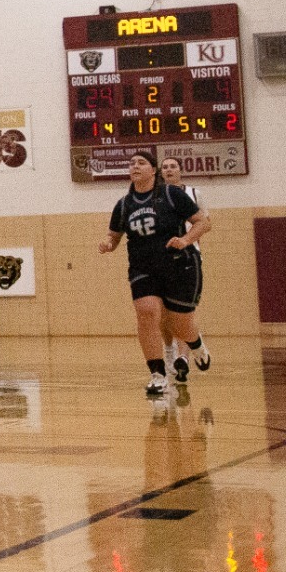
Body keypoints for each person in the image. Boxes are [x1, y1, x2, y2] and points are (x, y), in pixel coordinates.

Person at [99, 150, 213, 398]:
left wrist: (185, 239)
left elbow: (203, 222)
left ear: (153, 170)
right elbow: (114, 234)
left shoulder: (172, 195)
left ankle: (197, 346)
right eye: (131, 163)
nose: (135, 166)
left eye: (141, 162)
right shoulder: (124, 204)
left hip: (177, 264)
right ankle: (158, 375)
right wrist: (108, 243)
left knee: (178, 322)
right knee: (147, 314)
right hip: (142, 268)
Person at [158, 156, 211, 382]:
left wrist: (186, 240)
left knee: (181, 312)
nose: (169, 170)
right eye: (165, 167)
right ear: (160, 172)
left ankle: (183, 358)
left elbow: (206, 223)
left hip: (187, 256)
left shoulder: (193, 193)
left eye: (173, 166)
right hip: (160, 259)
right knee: (162, 313)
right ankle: (169, 350)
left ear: (180, 170)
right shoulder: (154, 196)